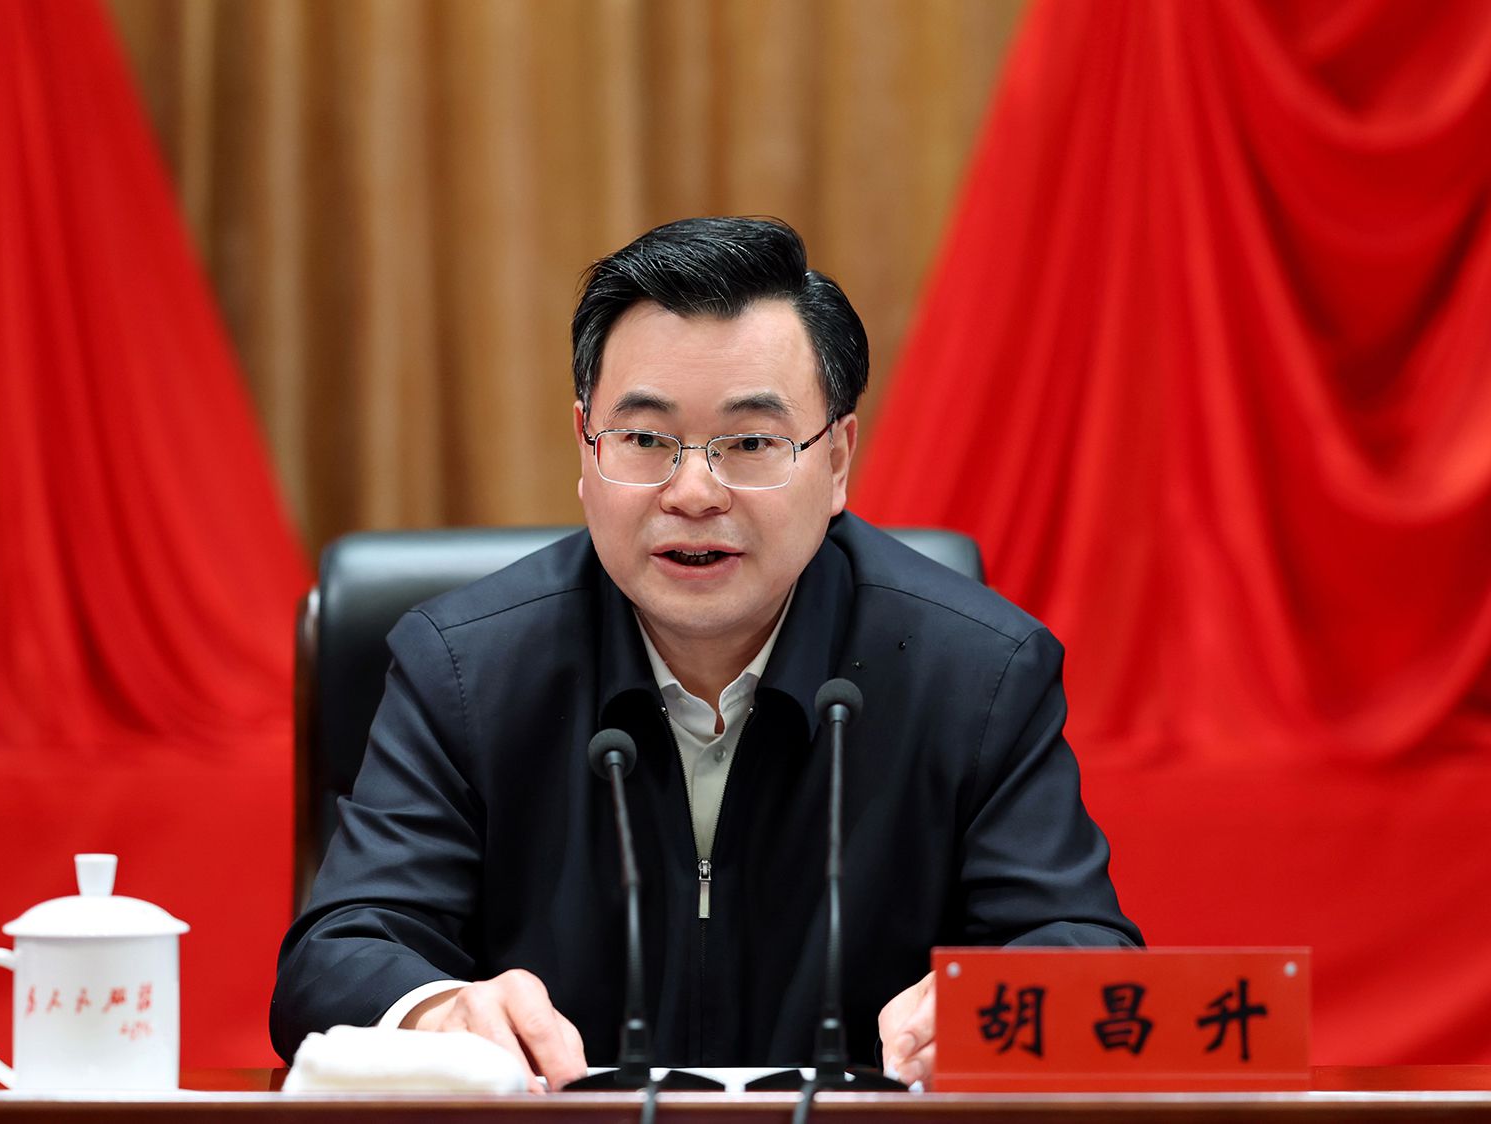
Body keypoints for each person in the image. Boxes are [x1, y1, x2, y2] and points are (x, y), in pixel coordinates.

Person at [270, 217, 1140, 1090]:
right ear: (586, 449)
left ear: (837, 459)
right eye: (646, 440)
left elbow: (1082, 950)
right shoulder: (465, 669)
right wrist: (439, 1010)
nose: (692, 493)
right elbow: (340, 951)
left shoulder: (978, 673)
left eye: (751, 443)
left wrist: (992, 1004)